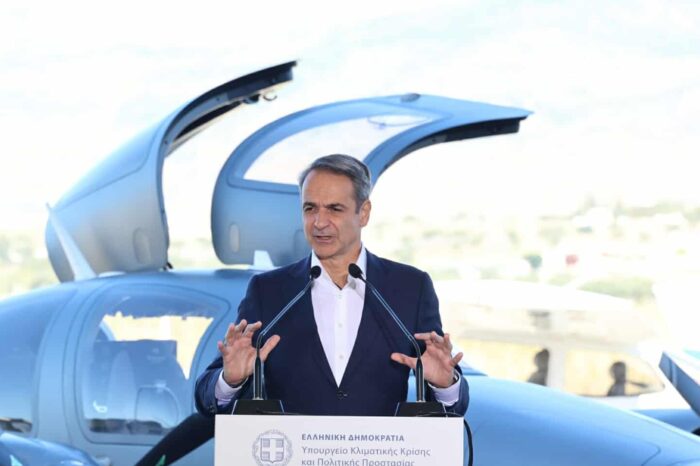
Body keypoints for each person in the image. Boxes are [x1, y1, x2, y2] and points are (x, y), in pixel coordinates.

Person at [195, 154, 469, 417]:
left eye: (334, 209)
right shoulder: (269, 291)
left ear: (364, 213)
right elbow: (207, 398)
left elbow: (452, 405)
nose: (319, 222)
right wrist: (230, 380)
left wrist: (444, 385)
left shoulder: (410, 288)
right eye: (310, 208)